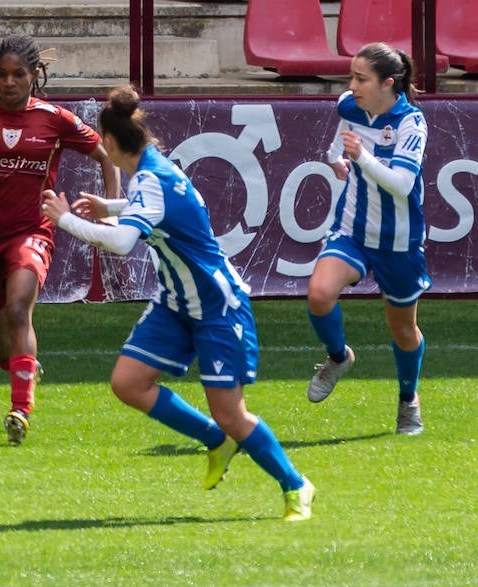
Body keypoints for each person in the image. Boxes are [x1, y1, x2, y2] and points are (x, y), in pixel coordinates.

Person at [41, 85, 315, 522]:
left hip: (216, 306)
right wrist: (110, 204)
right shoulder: (153, 171)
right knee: (128, 383)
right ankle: (216, 441)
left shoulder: (151, 178)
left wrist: (66, 220)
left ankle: (295, 485)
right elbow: (160, 209)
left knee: (231, 413)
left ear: (109, 143)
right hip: (176, 302)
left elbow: (123, 241)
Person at [0, 34, 120, 446]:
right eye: (2, 74)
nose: (9, 82)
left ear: (35, 76)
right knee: (1, 347)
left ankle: (20, 412)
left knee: (18, 312)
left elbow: (105, 157)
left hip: (33, 231)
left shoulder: (54, 118)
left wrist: (111, 210)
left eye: (18, 74)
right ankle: (24, 366)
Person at [305, 43, 429, 436]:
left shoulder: (411, 124)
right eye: (351, 76)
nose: (351, 85)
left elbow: (402, 185)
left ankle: (408, 400)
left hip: (399, 240)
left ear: (388, 83)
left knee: (403, 331)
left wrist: (362, 159)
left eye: (361, 78)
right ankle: (339, 357)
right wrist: (336, 159)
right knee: (319, 294)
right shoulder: (349, 105)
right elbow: (339, 142)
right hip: (353, 227)